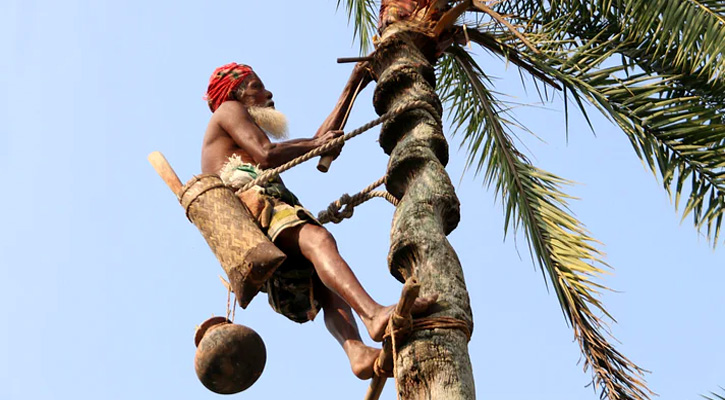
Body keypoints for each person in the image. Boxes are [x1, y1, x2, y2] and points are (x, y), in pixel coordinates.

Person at [200, 62, 436, 379]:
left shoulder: (236, 135)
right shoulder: (228, 110)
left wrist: (354, 85)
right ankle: (374, 315)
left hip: (262, 218)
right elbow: (268, 152)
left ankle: (357, 352)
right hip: (253, 210)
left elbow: (321, 140)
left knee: (327, 286)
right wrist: (315, 146)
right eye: (257, 85)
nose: (268, 93)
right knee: (320, 242)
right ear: (235, 92)